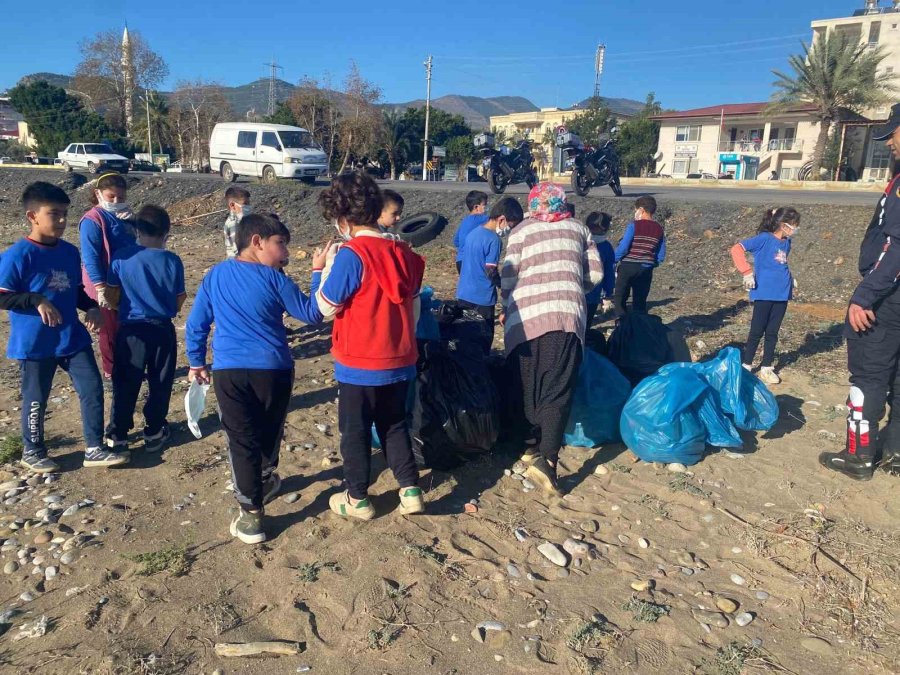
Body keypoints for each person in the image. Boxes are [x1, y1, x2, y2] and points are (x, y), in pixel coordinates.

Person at [186, 213, 327, 544]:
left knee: (242, 439)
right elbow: (312, 314)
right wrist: (318, 271)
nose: (286, 254)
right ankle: (262, 481)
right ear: (257, 241)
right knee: (267, 429)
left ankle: (251, 515)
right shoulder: (275, 280)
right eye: (281, 245)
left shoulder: (215, 275)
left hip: (230, 372)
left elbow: (197, 323)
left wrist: (196, 361)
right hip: (273, 370)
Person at [316, 172, 426, 520]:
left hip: (360, 359)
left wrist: (318, 272)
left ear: (344, 219)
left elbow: (326, 306)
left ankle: (358, 499)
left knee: (356, 430)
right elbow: (415, 300)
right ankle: (410, 491)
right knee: (394, 424)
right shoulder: (403, 252)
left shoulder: (353, 254)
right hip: (400, 356)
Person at [0, 182, 128, 473]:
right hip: (35, 343)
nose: (61, 221)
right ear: (32, 216)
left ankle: (94, 447)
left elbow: (76, 290)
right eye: (53, 214)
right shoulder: (18, 255)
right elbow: (3, 295)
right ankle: (32, 450)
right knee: (37, 398)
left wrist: (92, 307)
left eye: (64, 215)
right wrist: (37, 300)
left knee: (92, 387)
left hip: (72, 338)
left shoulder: (70, 252)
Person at [501, 183, 603, 495]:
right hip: (566, 315)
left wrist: (508, 303)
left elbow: (507, 276)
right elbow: (596, 275)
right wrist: (573, 286)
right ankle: (548, 458)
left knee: (528, 385)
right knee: (558, 387)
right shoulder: (578, 229)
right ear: (562, 203)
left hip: (526, 319)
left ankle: (529, 444)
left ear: (533, 205)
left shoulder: (520, 231)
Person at [820, 103, 900, 481]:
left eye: (894, 135)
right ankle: (895, 452)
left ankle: (858, 458)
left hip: (888, 300)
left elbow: (895, 246)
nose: (890, 144)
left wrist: (865, 295)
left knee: (868, 378)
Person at [104, 205, 186, 454]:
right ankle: (154, 429)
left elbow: (111, 295)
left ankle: (118, 433)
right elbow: (179, 299)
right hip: (161, 329)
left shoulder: (122, 257)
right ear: (166, 232)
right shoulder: (172, 260)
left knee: (125, 381)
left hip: (131, 330)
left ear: (137, 230)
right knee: (160, 382)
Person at [730, 207, 800, 385]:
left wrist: (791, 278)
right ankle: (746, 365)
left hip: (782, 293)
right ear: (783, 225)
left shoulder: (787, 242)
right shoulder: (764, 238)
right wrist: (746, 271)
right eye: (793, 225)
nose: (795, 229)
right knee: (756, 331)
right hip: (764, 292)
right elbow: (736, 249)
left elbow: (780, 264)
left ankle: (766, 367)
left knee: (772, 332)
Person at [79, 172, 137, 380]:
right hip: (104, 283)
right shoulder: (92, 220)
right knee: (109, 330)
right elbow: (90, 257)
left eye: (120, 198)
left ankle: (129, 366)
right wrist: (100, 287)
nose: (116, 201)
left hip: (126, 281)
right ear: (98, 194)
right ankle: (111, 371)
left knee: (127, 327)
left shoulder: (125, 216)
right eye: (111, 196)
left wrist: (135, 224)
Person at [456, 197, 524, 353]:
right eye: (511, 226)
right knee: (483, 339)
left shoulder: (474, 233)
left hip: (464, 293)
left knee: (465, 337)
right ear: (502, 220)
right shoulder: (494, 240)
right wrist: (504, 286)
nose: (509, 231)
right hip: (483, 298)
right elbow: (490, 271)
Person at [612, 196, 666, 316]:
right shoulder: (659, 229)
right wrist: (652, 263)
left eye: (636, 210)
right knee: (640, 300)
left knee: (620, 297)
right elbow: (661, 254)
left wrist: (613, 259)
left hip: (628, 266)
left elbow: (624, 247)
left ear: (641, 210)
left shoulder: (634, 225)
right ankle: (638, 325)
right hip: (646, 268)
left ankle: (621, 323)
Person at [584, 212, 616, 328]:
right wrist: (608, 291)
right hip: (593, 292)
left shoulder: (578, 240)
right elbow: (609, 272)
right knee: (586, 325)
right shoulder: (606, 247)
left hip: (574, 291)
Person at [452, 190, 489, 274]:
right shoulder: (481, 218)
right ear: (476, 207)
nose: (486, 208)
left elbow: (456, 241)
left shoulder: (465, 221)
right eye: (484, 205)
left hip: (460, 261)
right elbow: (496, 220)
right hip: (471, 262)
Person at [223, 186, 251, 259]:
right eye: (245, 203)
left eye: (249, 203)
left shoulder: (243, 221)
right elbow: (238, 249)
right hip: (237, 263)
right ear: (232, 205)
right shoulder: (233, 224)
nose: (248, 206)